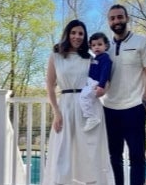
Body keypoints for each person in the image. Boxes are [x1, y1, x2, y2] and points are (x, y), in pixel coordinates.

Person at [42, 19, 115, 185]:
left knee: (90, 151)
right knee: (62, 151)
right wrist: (56, 112)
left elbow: (104, 77)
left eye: (81, 33)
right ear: (67, 34)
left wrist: (105, 89)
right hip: (65, 106)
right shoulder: (56, 56)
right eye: (73, 32)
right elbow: (50, 86)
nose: (77, 36)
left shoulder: (90, 58)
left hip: (88, 107)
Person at [101, 4, 146, 185]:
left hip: (134, 108)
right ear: (108, 22)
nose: (116, 21)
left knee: (137, 158)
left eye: (119, 17)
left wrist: (145, 102)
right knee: (113, 158)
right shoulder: (105, 48)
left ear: (127, 18)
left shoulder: (142, 42)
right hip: (109, 109)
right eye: (112, 18)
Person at [79, 32, 112, 132]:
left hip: (96, 83)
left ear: (106, 46)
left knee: (83, 96)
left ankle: (91, 117)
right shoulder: (94, 58)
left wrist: (101, 85)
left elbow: (105, 73)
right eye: (93, 45)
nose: (96, 47)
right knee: (87, 98)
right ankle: (90, 116)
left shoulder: (105, 58)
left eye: (99, 44)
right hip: (90, 81)